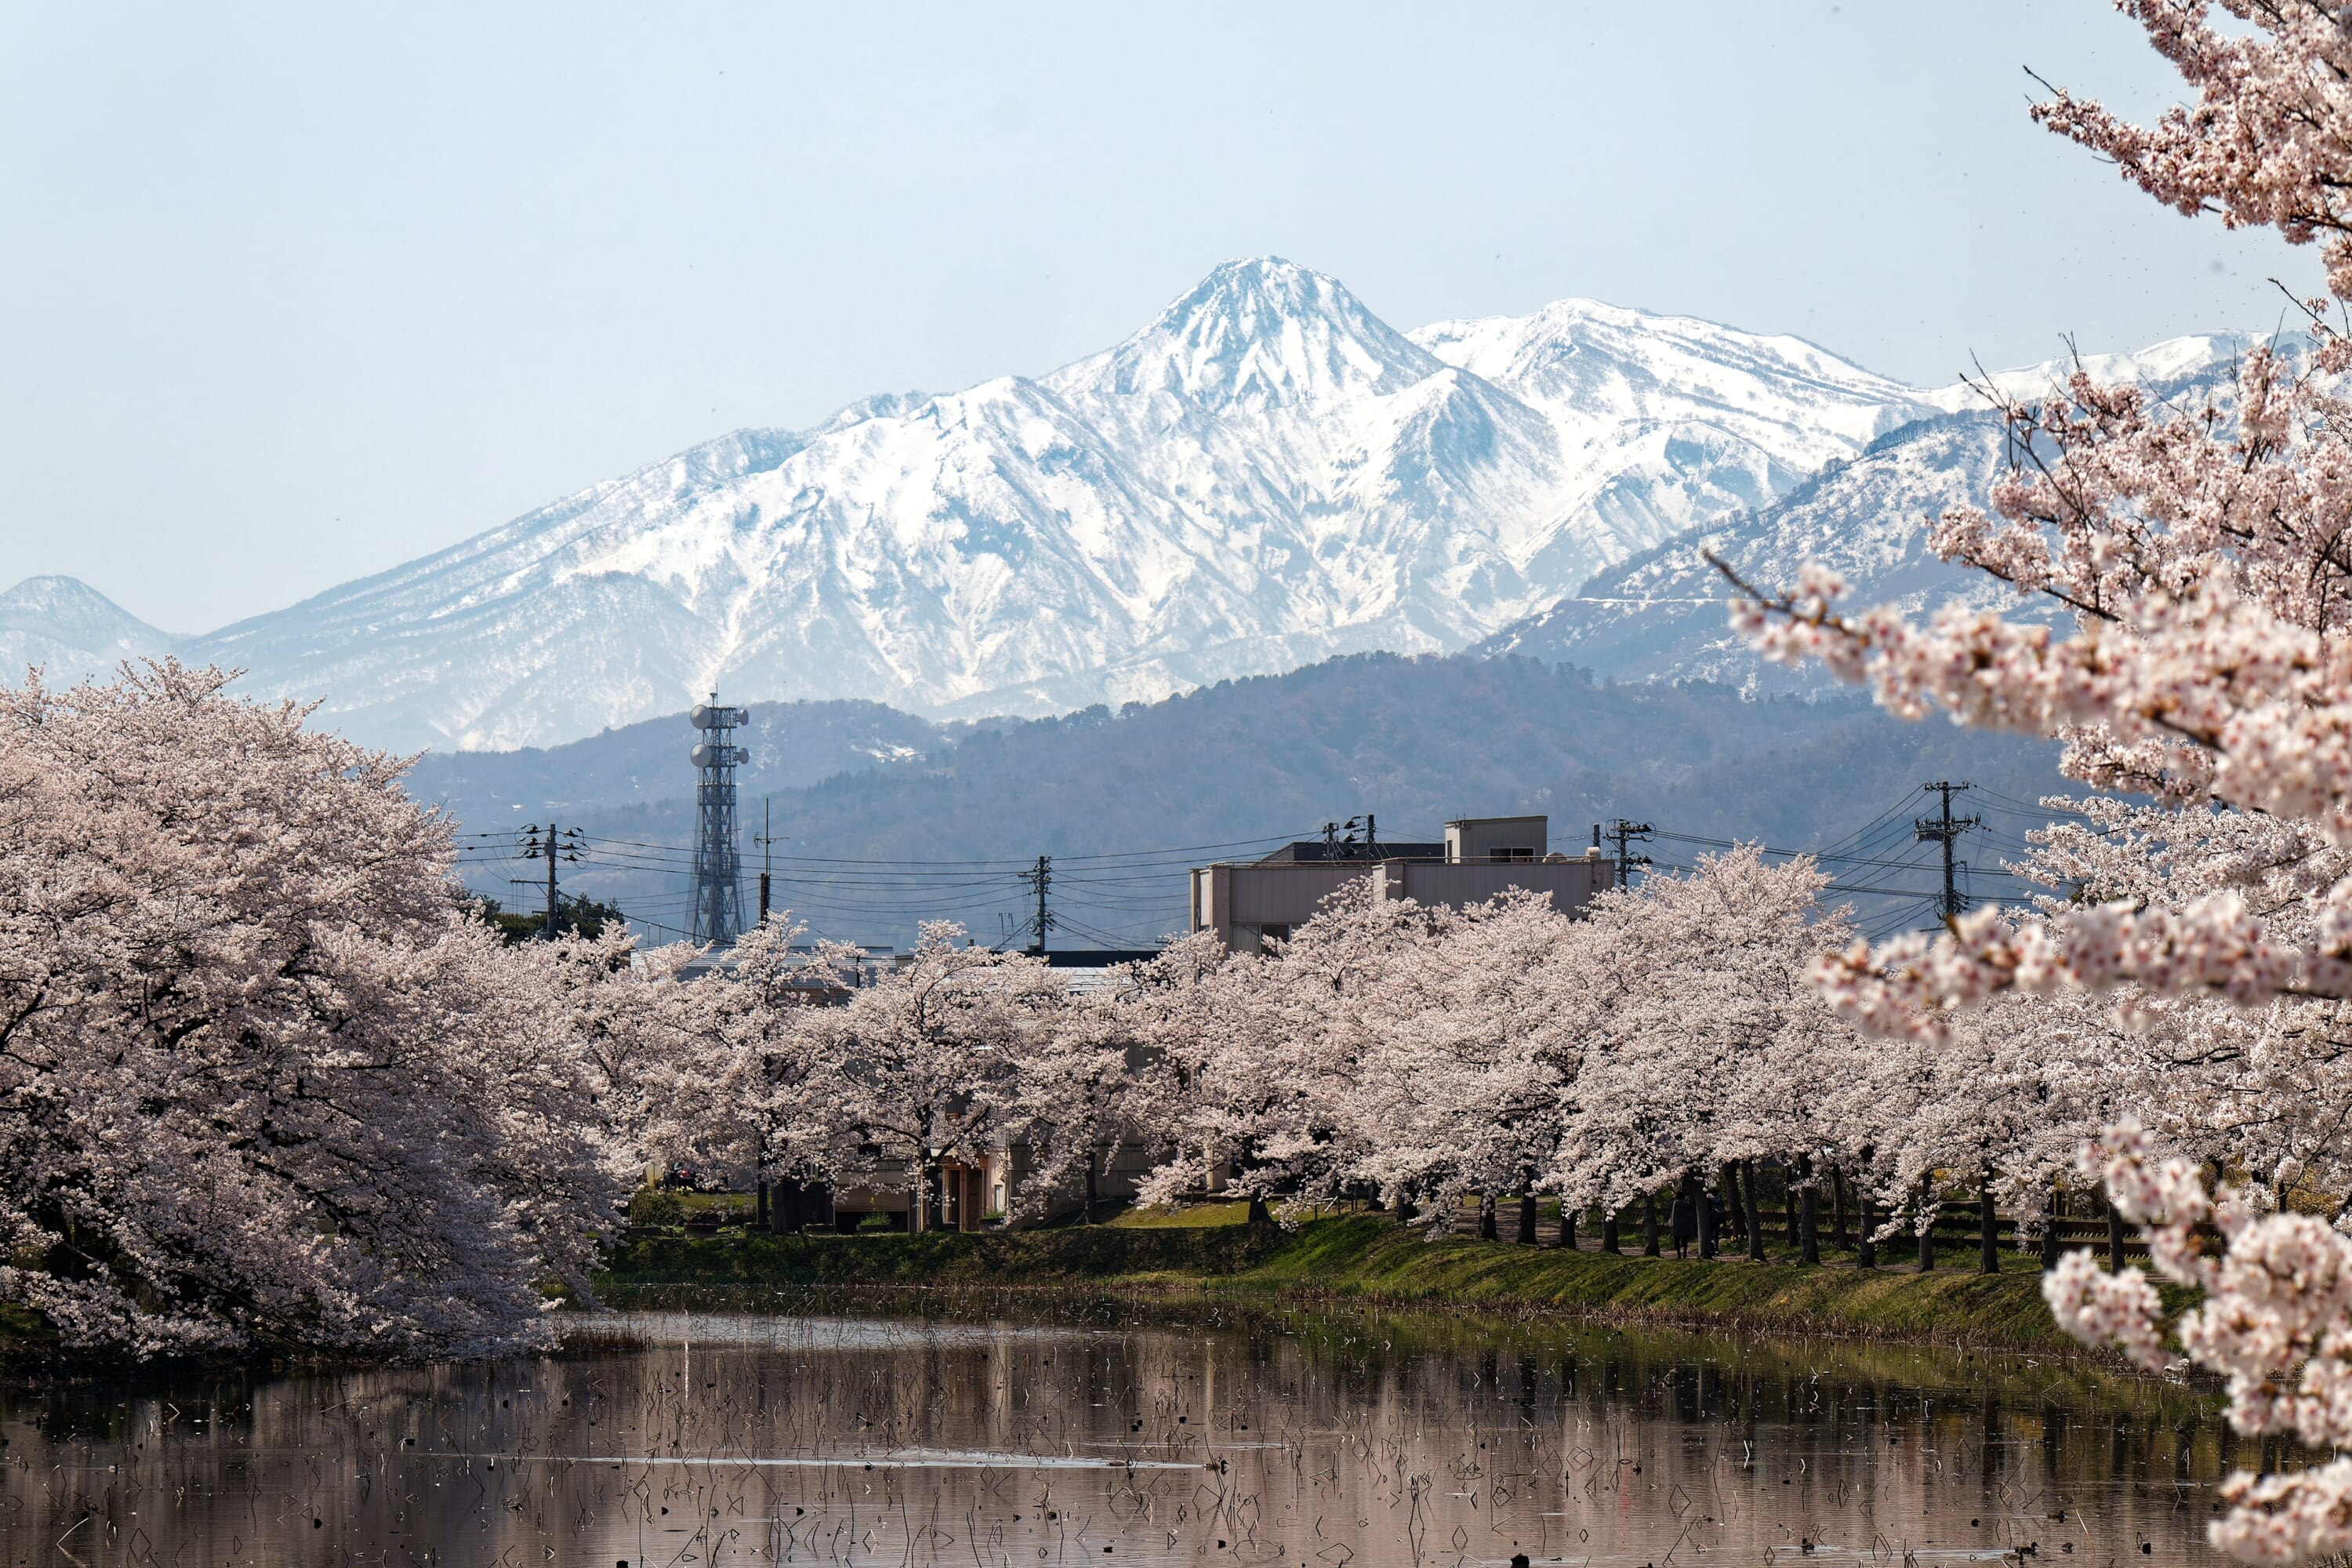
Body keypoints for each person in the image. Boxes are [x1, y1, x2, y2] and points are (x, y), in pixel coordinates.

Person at [1668, 1190, 1697, 1260]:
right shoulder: (1686, 1204)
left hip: (1676, 1224)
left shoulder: (1673, 1204)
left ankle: (1678, 1253)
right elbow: (1693, 1208)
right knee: (1684, 1239)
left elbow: (1667, 1206)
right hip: (1685, 1223)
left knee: (1676, 1240)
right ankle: (1685, 1252)